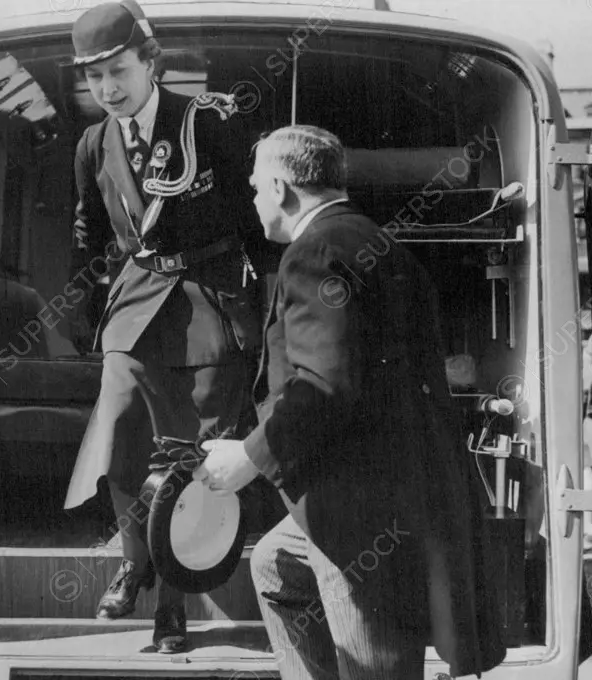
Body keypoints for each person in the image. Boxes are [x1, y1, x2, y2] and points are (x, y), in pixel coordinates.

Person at [194, 125, 506, 679]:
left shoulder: (313, 254)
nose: (254, 201)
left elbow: (326, 385)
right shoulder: (378, 244)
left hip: (364, 507)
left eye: (256, 189)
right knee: (275, 566)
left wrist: (247, 458)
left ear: (282, 188)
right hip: (407, 485)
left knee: (374, 660)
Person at [60, 0, 263, 654]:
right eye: (94, 79)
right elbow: (89, 232)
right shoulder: (93, 142)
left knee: (189, 459)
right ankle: (132, 560)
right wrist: (90, 309)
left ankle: (169, 609)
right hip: (136, 299)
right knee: (120, 440)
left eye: (118, 70)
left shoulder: (210, 121)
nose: (108, 88)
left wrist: (268, 310)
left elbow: (257, 220)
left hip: (210, 298)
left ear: (151, 61)